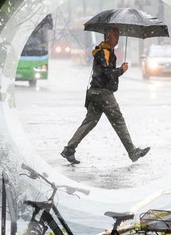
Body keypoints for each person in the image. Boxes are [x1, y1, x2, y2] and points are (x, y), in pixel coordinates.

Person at [61, 26, 150, 164]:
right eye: (116, 36)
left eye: (119, 36)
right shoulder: (104, 53)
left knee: (90, 122)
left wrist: (117, 69)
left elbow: (106, 71)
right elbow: (107, 74)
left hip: (95, 92)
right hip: (103, 94)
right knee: (118, 121)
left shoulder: (106, 51)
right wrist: (122, 70)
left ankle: (69, 149)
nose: (118, 39)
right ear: (108, 37)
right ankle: (133, 152)